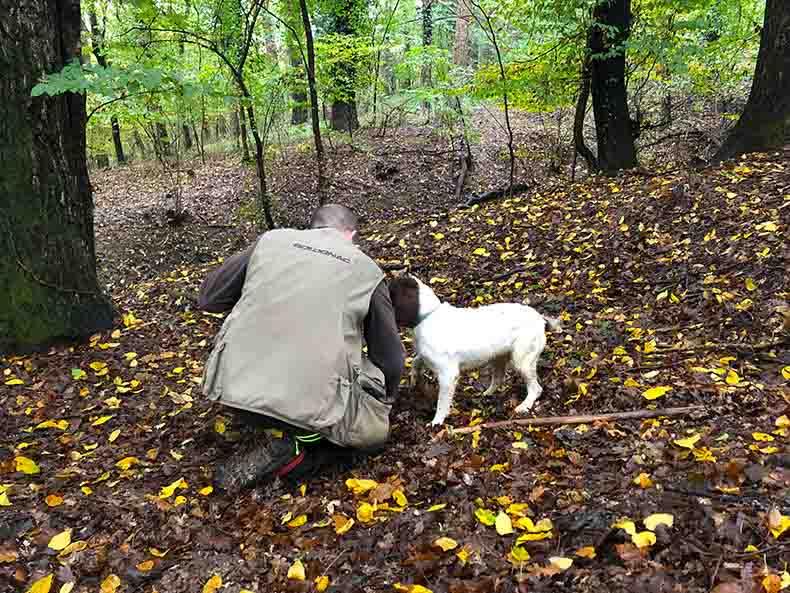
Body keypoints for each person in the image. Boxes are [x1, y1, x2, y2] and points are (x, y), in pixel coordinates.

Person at [197, 204, 405, 493]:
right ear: (352, 235)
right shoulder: (366, 269)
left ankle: (258, 423)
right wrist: (384, 403)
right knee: (375, 435)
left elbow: (209, 298)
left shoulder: (271, 241)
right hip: (308, 409)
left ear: (312, 227)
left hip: (232, 391)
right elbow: (391, 359)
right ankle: (295, 452)